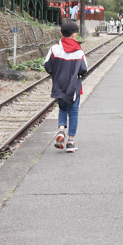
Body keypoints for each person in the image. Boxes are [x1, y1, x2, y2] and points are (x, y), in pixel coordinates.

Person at [44, 20, 87, 153]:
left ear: (62, 33)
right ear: (75, 35)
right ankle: (70, 142)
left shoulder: (54, 49)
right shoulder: (79, 51)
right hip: (73, 88)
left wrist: (56, 74)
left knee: (62, 109)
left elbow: (47, 65)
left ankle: (61, 130)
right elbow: (84, 69)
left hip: (59, 86)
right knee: (73, 112)